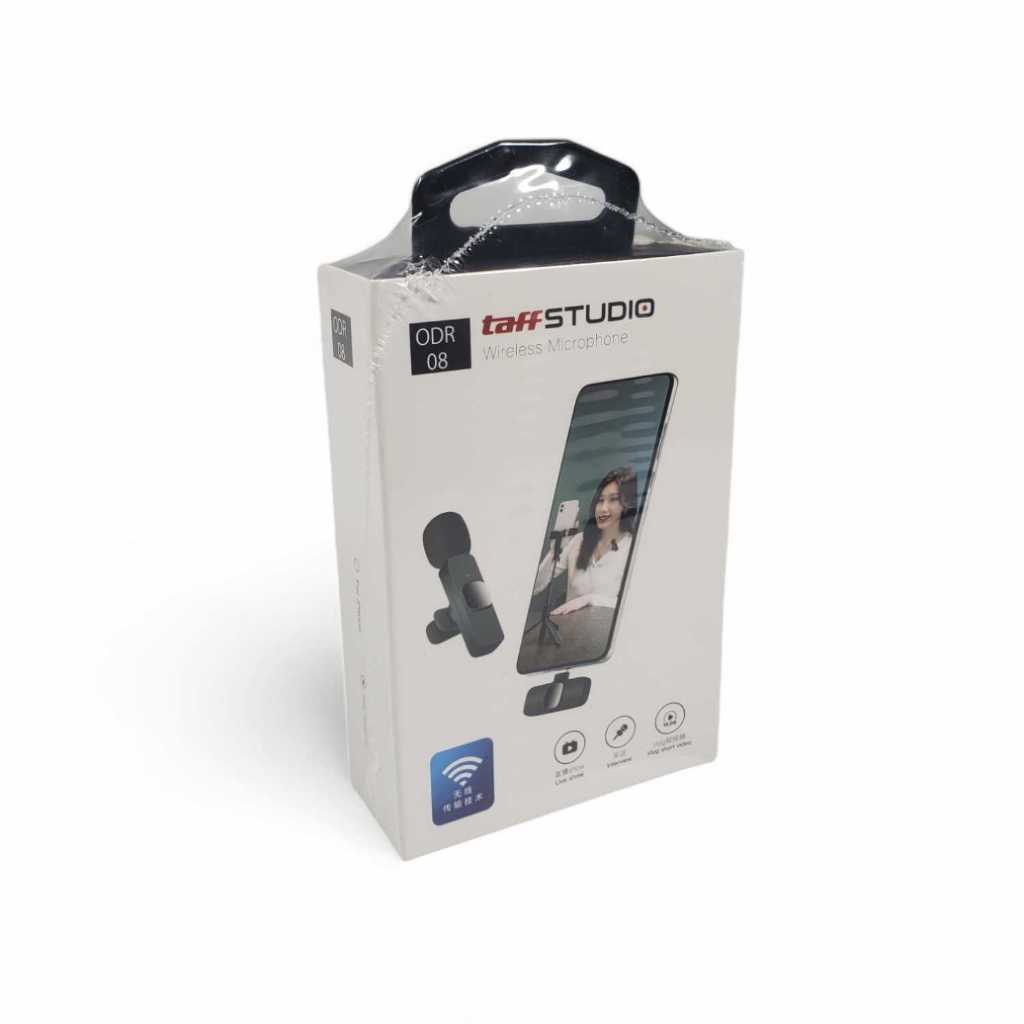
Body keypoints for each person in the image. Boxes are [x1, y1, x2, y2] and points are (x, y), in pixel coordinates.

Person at [532, 466, 638, 615]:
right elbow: (535, 586)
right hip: (567, 628)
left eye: (613, 500)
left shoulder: (634, 549)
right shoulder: (578, 540)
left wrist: (590, 599)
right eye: (600, 500)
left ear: (627, 505)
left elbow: (634, 606)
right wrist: (555, 551)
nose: (603, 508)